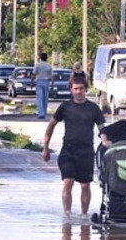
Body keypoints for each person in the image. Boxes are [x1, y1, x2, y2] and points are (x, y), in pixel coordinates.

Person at [42, 76, 105, 216]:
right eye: (75, 89)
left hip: (87, 151)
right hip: (68, 151)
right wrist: (45, 147)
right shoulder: (65, 107)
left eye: (81, 89)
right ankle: (67, 215)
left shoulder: (93, 108)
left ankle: (84, 216)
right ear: (71, 90)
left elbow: (102, 128)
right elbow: (51, 125)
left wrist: (105, 141)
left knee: (85, 185)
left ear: (86, 90)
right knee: (68, 182)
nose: (78, 92)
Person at [32, 52, 53, 119]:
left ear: (40, 58)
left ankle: (41, 113)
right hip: (46, 82)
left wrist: (32, 82)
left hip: (39, 81)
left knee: (39, 98)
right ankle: (44, 113)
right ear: (46, 58)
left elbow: (34, 74)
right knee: (45, 98)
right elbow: (52, 76)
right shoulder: (49, 66)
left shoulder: (38, 65)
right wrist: (52, 84)